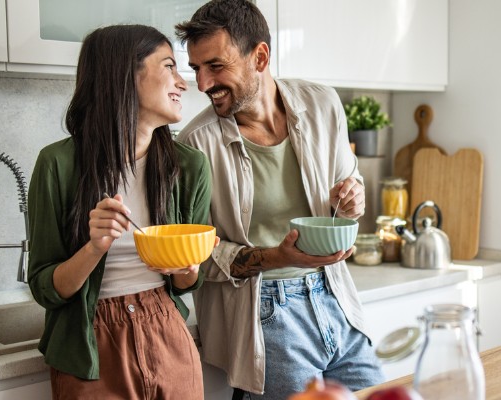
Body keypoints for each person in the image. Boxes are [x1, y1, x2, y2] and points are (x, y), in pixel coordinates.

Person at [174, 1, 385, 398]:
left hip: (336, 294)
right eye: (196, 69)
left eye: (215, 66)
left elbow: (347, 181)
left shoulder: (322, 104)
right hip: (264, 313)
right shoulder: (195, 146)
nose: (202, 84)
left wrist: (353, 196)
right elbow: (200, 256)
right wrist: (279, 257)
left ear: (260, 56)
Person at [27, 24, 215, 399]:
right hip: (89, 345)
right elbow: (46, 288)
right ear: (124, 75)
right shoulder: (57, 165)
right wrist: (94, 247)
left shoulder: (190, 166)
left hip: (168, 332)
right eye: (169, 67)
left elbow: (189, 283)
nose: (184, 82)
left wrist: (189, 267)